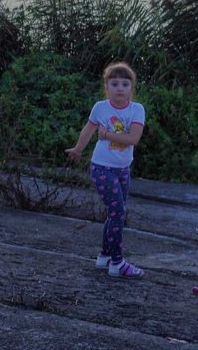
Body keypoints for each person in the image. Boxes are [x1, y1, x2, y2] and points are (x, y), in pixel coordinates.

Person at [65, 61, 147, 279]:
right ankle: (117, 263)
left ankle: (104, 256)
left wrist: (107, 135)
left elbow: (133, 139)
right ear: (107, 87)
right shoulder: (100, 107)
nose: (120, 88)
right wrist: (78, 149)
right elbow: (88, 130)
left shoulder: (136, 110)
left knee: (115, 213)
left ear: (131, 88)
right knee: (118, 213)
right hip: (102, 168)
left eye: (125, 84)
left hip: (123, 170)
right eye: (114, 83)